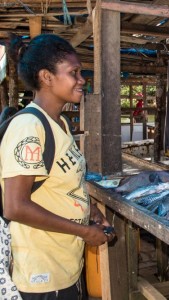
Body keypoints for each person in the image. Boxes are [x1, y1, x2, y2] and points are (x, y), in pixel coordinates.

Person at [1, 34, 115, 299]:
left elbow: (60, 186)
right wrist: (85, 231)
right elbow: (15, 206)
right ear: (47, 77)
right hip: (41, 273)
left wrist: (91, 212)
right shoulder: (28, 127)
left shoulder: (60, 124)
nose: (81, 79)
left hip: (65, 264)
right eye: (74, 72)